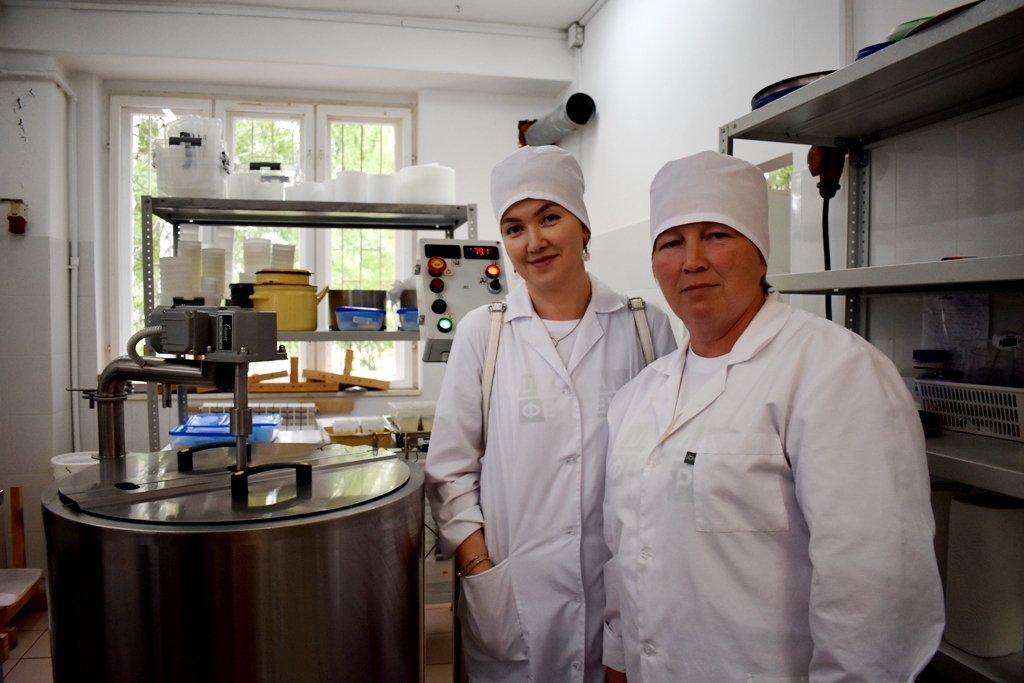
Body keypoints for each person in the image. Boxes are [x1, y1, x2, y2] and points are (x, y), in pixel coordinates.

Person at [602, 151, 945, 682]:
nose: (692, 261)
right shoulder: (638, 397)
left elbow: (875, 587)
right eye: (671, 243)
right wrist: (619, 661)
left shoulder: (836, 372)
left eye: (716, 235)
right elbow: (624, 551)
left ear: (760, 254)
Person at [425, 145, 677, 683]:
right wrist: (480, 567)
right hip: (512, 597)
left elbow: (661, 474)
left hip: (620, 598)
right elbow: (450, 471)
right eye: (514, 228)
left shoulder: (644, 326)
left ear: (582, 226)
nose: (533, 241)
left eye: (549, 218)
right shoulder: (482, 332)